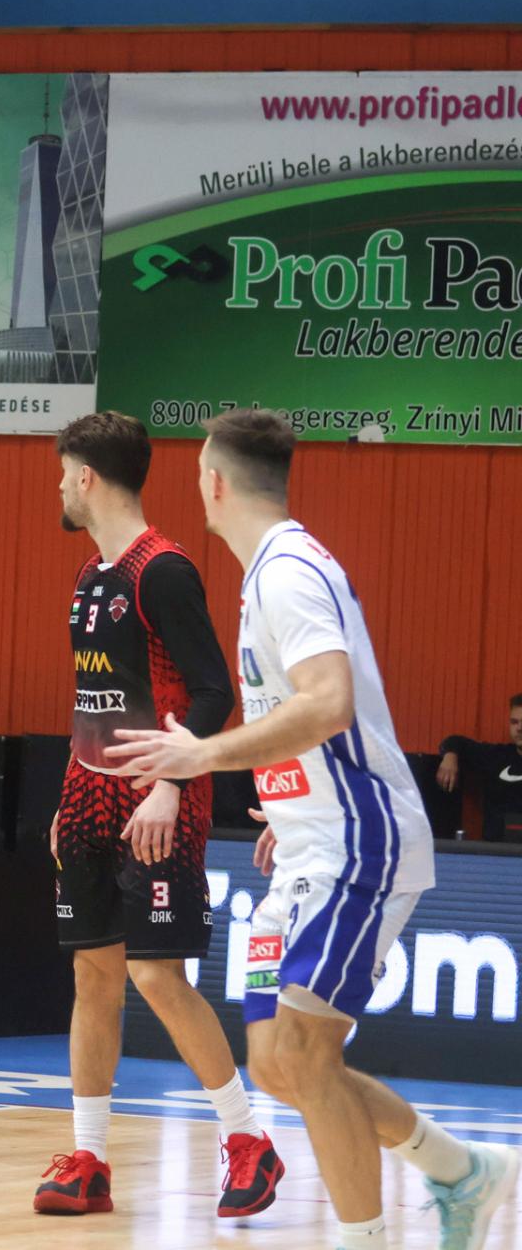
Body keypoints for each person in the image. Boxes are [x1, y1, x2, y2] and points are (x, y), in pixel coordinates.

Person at [109, 409, 517, 1250]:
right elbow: (312, 716)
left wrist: (203, 754)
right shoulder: (272, 570)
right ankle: (460, 1170)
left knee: (304, 1049)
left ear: (214, 483)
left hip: (357, 842)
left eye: (198, 478)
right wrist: (288, 800)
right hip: (307, 840)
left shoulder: (288, 570)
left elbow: (328, 701)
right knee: (278, 1062)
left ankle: (371, 1234)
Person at [37, 413, 283, 1218]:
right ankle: (89, 1158)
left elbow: (215, 692)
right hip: (90, 794)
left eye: (64, 473)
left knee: (155, 975)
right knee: (93, 974)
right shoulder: (89, 577)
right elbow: (92, 699)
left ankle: (247, 1138)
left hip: (158, 799)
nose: (60, 487)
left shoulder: (164, 570)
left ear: (87, 477)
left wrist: (171, 784)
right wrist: (69, 796)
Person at [436, 694, 522, 843]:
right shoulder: (496, 756)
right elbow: (454, 741)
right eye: (514, 722)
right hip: (494, 850)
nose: (519, 728)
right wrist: (450, 757)